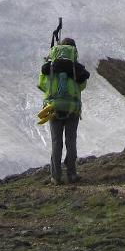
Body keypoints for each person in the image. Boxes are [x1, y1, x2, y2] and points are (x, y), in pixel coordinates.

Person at [38, 37, 90, 185]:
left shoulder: (50, 66)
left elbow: (42, 84)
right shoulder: (76, 67)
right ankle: (72, 174)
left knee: (56, 142)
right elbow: (82, 86)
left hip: (53, 107)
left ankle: (56, 177)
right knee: (71, 140)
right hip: (72, 108)